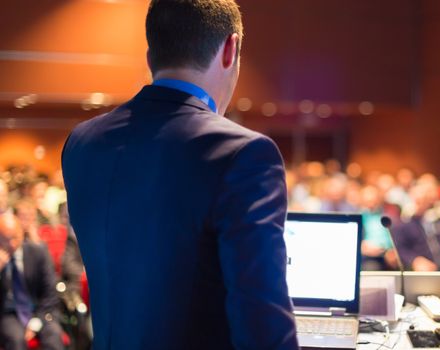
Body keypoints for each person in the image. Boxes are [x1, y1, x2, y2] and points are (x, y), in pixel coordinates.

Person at [61, 1, 298, 349]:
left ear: (150, 54)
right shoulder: (243, 153)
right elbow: (262, 320)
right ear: (230, 49)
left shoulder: (82, 143)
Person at [0, 214, 63, 350]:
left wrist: (35, 323)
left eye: (14, 238)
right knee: (16, 340)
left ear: (22, 234)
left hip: (40, 310)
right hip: (10, 313)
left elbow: (50, 293)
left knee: (54, 336)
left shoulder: (38, 252)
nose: (11, 244)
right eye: (5, 239)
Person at [392, 184, 440, 271]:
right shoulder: (404, 225)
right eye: (417, 201)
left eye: (424, 200)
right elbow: (400, 249)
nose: (420, 204)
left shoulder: (439, 221)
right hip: (420, 269)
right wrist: (415, 260)